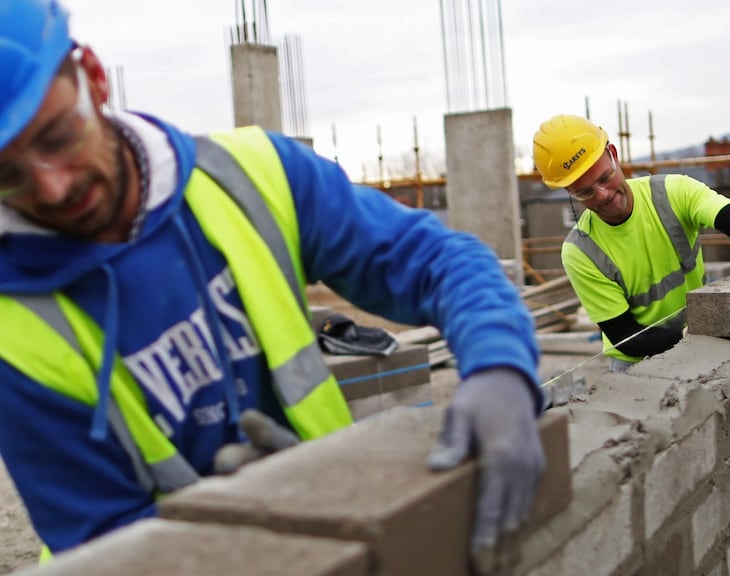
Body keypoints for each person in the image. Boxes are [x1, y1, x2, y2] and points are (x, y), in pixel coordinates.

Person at [0, 0, 544, 562]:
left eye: (58, 136)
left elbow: (434, 258)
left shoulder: (251, 175)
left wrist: (500, 363)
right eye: (7, 174)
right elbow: (106, 546)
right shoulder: (14, 334)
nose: (52, 187)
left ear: (92, 76)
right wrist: (257, 530)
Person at [533, 114, 730, 373]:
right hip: (636, 365)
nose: (604, 194)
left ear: (614, 154)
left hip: (698, 339)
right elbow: (625, 336)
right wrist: (693, 334)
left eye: (605, 177)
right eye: (585, 192)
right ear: (568, 190)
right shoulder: (580, 251)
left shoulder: (671, 193)